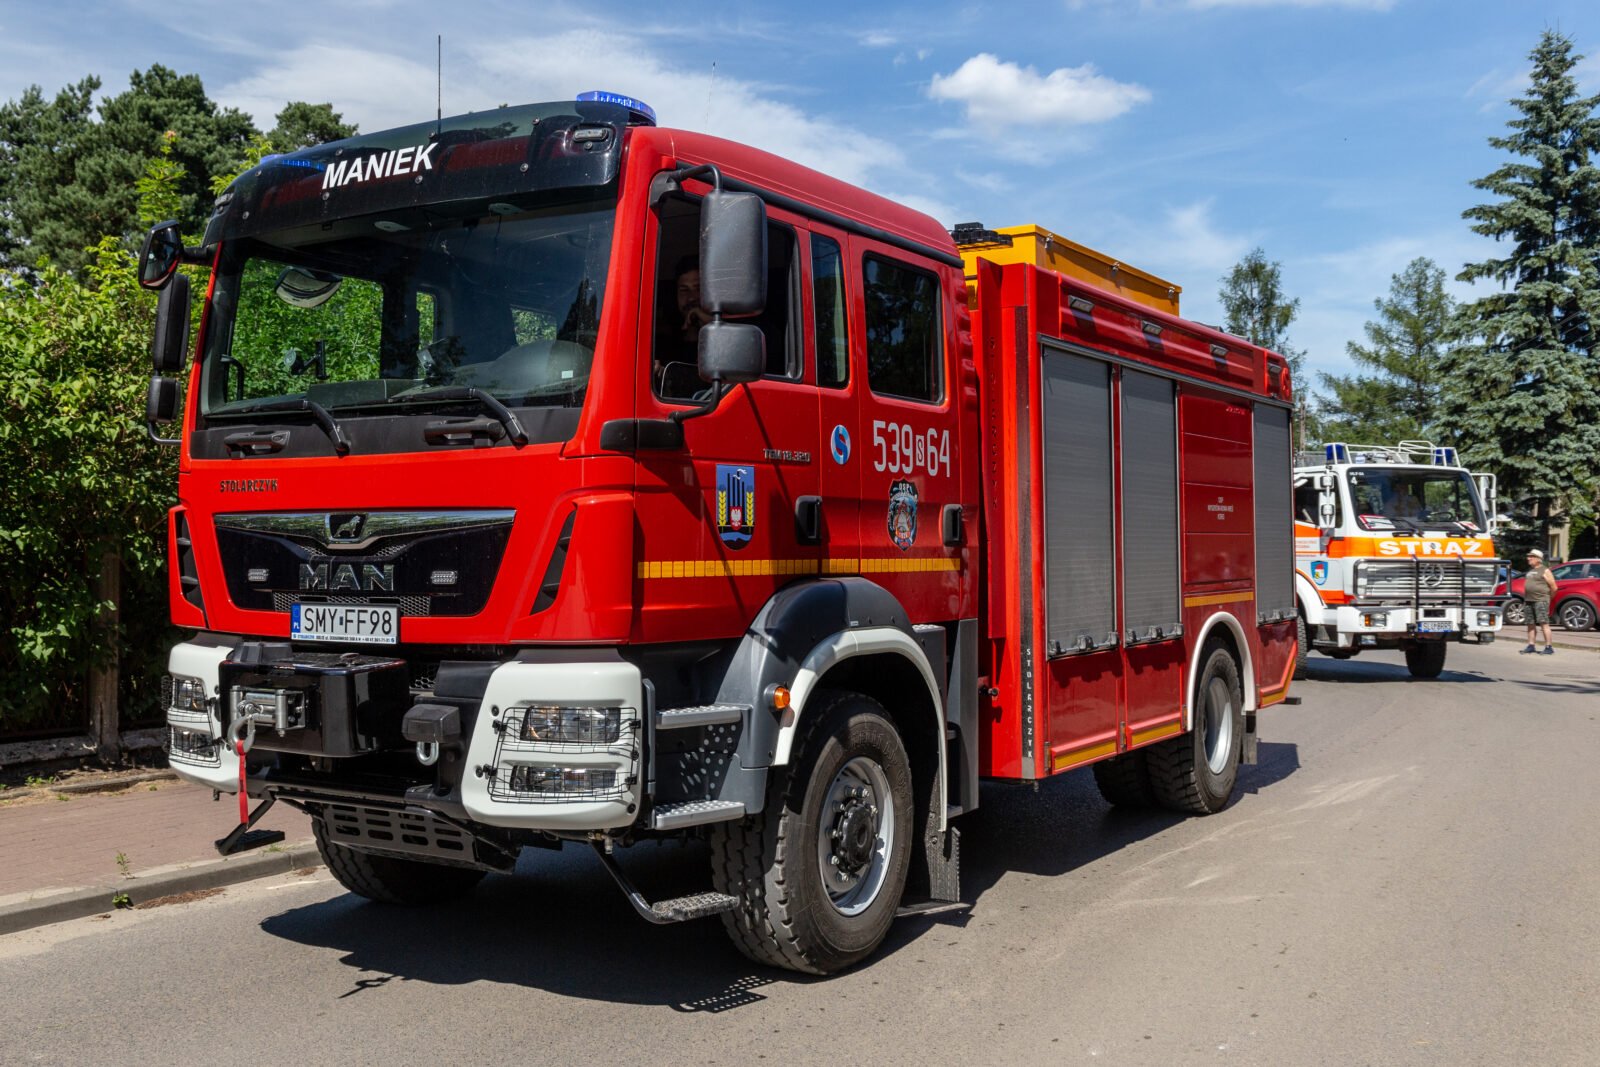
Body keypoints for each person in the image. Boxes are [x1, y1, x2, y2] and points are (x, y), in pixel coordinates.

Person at [1520, 548, 1559, 655]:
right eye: (1528, 556)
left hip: (1540, 600)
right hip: (1529, 600)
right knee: (1530, 624)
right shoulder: (1531, 571)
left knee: (1543, 623)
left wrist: (1548, 598)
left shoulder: (1545, 570)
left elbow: (1554, 587)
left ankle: (1548, 647)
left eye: (1531, 556)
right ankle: (1531, 645)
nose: (1528, 558)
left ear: (1538, 559)